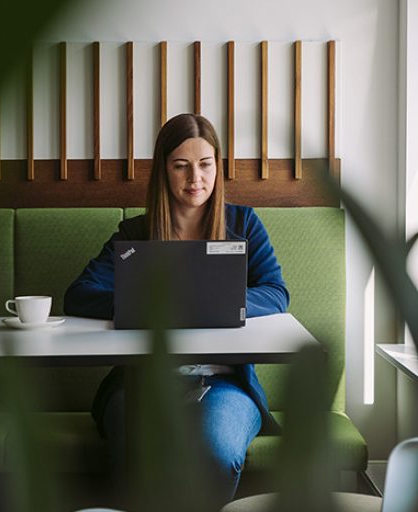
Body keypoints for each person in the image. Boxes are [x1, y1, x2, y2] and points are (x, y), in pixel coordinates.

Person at [64, 113, 290, 503]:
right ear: (163, 171)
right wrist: (144, 304)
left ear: (217, 168)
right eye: (180, 166)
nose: (194, 179)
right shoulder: (135, 232)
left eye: (204, 166)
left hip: (225, 383)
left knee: (216, 452)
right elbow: (79, 294)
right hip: (142, 380)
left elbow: (276, 292)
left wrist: (220, 302)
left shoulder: (244, 223)